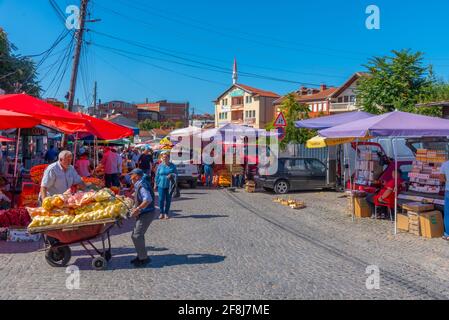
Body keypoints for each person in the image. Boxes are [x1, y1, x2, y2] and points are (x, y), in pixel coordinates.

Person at [129, 168, 157, 267]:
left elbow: (148, 199)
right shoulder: (139, 184)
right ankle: (141, 255)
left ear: (137, 176)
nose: (130, 177)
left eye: (131, 175)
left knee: (137, 235)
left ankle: (144, 259)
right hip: (144, 213)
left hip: (147, 213)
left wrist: (138, 209)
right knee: (137, 235)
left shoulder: (142, 185)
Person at [155, 152, 178, 220]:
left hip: (170, 185)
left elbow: (176, 174)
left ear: (169, 158)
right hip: (161, 185)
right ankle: (161, 212)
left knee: (168, 200)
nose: (164, 158)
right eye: (163, 157)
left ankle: (166, 213)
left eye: (166, 157)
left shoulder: (173, 166)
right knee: (161, 199)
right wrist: (155, 183)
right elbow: (157, 175)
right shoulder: (160, 166)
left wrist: (171, 175)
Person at [440, 160, 449, 240]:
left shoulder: (445, 164)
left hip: (448, 191)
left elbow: (441, 179)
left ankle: (447, 234)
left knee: (447, 214)